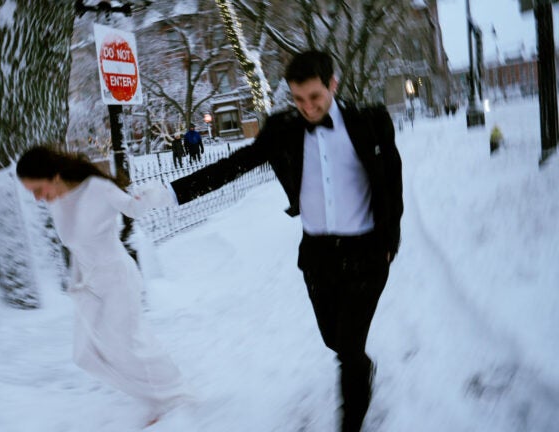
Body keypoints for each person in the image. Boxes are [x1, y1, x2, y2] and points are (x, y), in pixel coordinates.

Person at [165, 50, 403, 432]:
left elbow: (392, 183)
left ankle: (351, 419)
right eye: (298, 98)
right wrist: (174, 194)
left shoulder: (370, 122)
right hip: (317, 254)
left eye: (315, 97)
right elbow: (236, 165)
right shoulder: (284, 128)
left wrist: (390, 241)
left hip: (366, 251)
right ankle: (360, 366)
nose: (307, 107)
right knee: (336, 341)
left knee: (349, 347)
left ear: (332, 85)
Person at [16, 146, 189, 427]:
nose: (37, 198)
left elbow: (133, 207)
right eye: (31, 192)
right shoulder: (56, 201)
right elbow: (78, 248)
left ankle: (174, 397)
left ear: (55, 175)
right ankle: (157, 394)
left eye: (38, 189)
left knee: (128, 345)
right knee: (86, 354)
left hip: (118, 278)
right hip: (91, 285)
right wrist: (77, 284)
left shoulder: (96, 188)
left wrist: (155, 193)